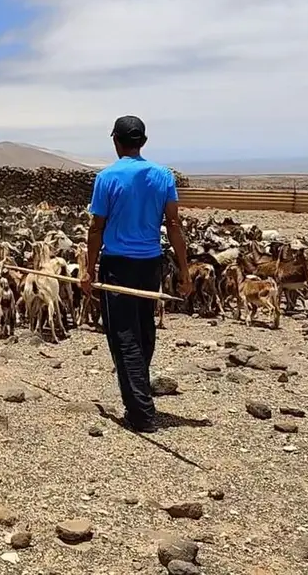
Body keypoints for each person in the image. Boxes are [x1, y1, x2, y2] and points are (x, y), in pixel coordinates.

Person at [80, 116, 190, 433]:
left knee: (124, 337)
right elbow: (173, 225)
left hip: (118, 265)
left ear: (116, 141)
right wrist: (184, 270)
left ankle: (140, 413)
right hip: (151, 263)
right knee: (144, 332)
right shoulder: (163, 175)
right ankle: (140, 393)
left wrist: (88, 270)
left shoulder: (107, 178)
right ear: (143, 142)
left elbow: (96, 228)